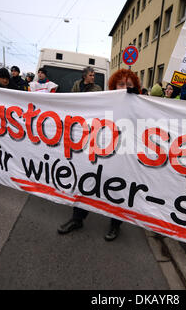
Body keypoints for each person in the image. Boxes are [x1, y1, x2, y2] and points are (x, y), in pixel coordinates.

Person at [58, 69, 141, 242]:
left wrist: (137, 104)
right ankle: (77, 219)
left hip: (123, 154)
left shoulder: (139, 105)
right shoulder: (103, 101)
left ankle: (115, 225)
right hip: (99, 150)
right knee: (87, 183)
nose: (125, 88)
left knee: (118, 190)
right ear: (114, 86)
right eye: (121, 84)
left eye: (129, 85)